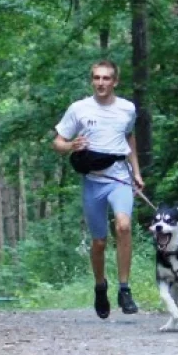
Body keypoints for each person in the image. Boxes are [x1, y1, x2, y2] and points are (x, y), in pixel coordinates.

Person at [53, 59, 145, 319]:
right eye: (96, 78)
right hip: (93, 180)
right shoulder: (79, 109)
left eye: (106, 78)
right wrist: (71, 145)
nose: (101, 83)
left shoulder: (127, 109)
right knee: (99, 241)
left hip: (120, 177)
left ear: (115, 81)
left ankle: (124, 289)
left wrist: (136, 172)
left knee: (124, 226)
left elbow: (129, 138)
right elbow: (57, 142)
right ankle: (100, 286)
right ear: (92, 80)